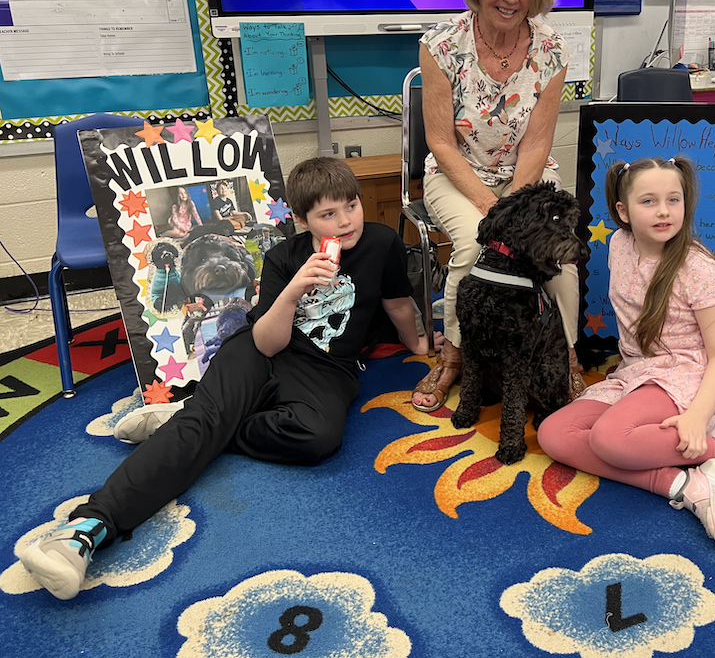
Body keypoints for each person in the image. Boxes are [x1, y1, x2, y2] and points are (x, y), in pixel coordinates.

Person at [18, 157, 438, 600]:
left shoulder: (382, 242)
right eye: (327, 214)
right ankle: (82, 532)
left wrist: (418, 344)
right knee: (204, 424)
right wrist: (294, 289)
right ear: (302, 221)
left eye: (351, 206)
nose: (346, 221)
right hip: (259, 352)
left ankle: (193, 418)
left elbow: (396, 302)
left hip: (328, 369)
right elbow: (267, 342)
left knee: (318, 439)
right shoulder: (283, 258)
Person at [536, 157, 715, 545]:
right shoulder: (619, 244)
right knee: (554, 433)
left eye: (674, 200)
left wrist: (696, 417)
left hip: (682, 373)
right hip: (635, 372)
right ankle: (682, 484)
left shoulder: (698, 269)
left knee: (609, 438)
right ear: (623, 211)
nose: (663, 211)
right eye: (649, 201)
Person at [412, 0, 585, 411]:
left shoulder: (552, 49)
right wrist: (495, 213)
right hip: (457, 174)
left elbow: (537, 145)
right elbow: (441, 142)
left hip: (528, 176)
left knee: (557, 258)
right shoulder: (441, 44)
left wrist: (514, 209)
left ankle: (568, 359)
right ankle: (452, 357)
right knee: (474, 247)